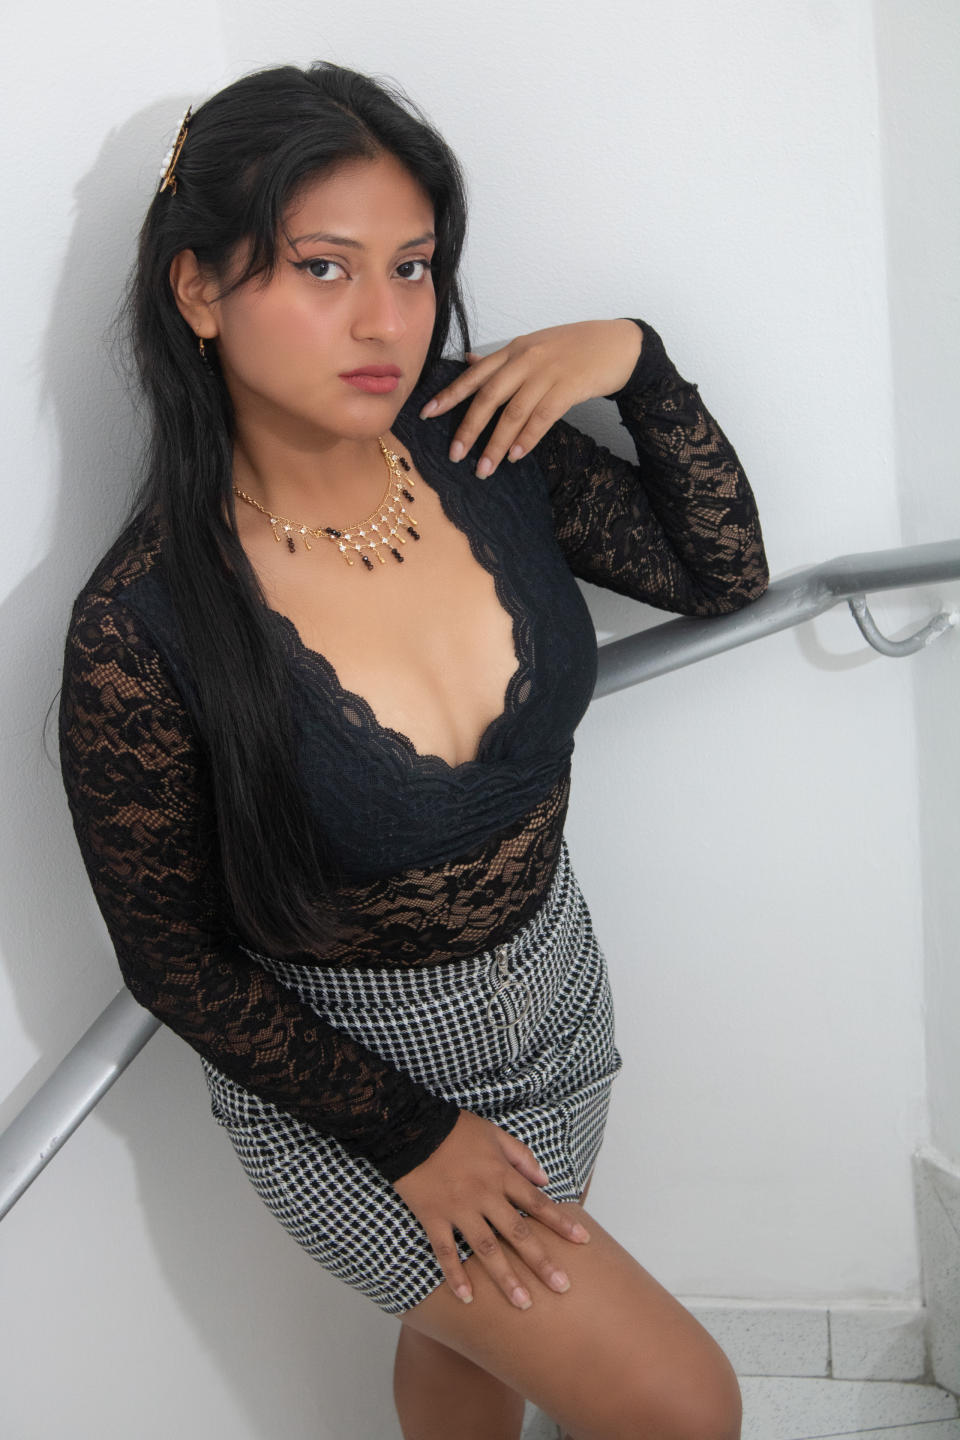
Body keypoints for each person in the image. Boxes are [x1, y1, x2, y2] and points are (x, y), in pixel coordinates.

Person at [58, 61, 768, 1440]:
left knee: (472, 1352)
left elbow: (720, 573)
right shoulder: (144, 626)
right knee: (682, 1405)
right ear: (198, 290)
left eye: (414, 266)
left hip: (555, 995)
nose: (385, 320)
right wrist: (414, 1137)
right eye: (323, 268)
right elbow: (172, 957)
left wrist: (638, 357)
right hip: (348, 1087)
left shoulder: (478, 441)